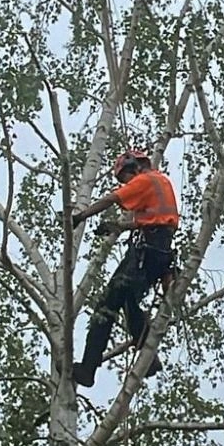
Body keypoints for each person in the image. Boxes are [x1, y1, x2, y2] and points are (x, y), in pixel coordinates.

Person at [70, 147, 179, 387]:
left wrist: (80, 216)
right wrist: (118, 227)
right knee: (129, 303)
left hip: (145, 253)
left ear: (134, 168)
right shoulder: (162, 182)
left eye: (125, 178)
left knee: (106, 305)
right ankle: (149, 358)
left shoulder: (144, 180)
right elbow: (154, 220)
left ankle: (88, 368)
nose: (127, 183)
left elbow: (113, 198)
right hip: (159, 253)